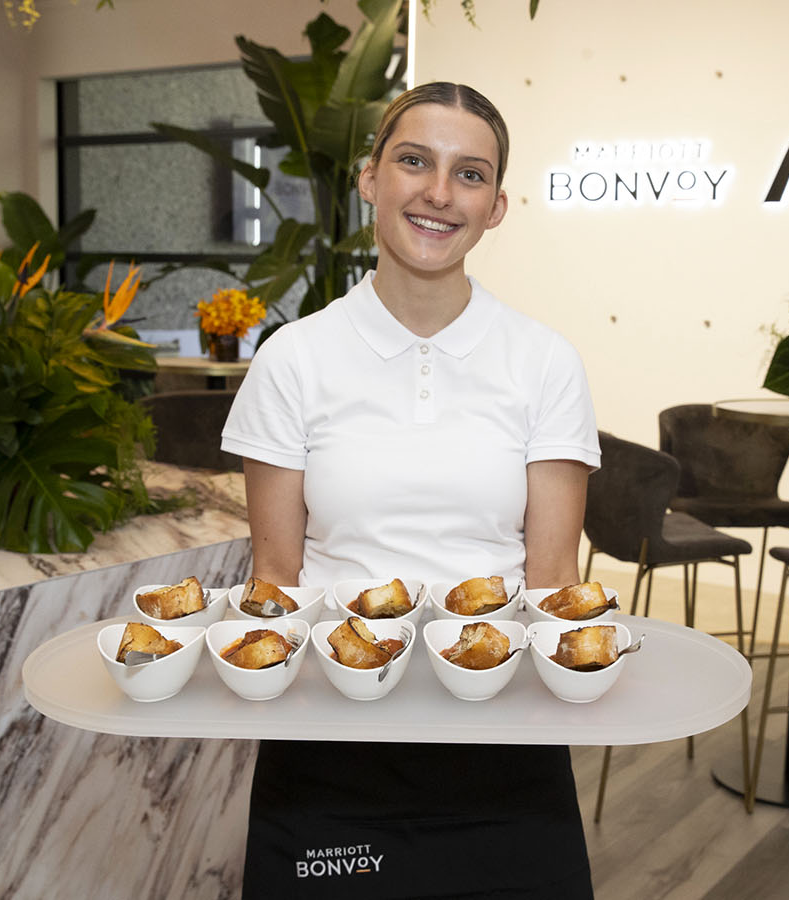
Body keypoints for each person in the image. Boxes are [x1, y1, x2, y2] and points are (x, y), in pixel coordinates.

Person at [221, 81, 600, 900]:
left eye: (470, 174)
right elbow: (277, 578)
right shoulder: (294, 357)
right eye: (414, 161)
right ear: (370, 179)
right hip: (329, 733)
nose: (438, 192)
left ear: (496, 206)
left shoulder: (544, 361)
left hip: (501, 734)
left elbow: (553, 580)